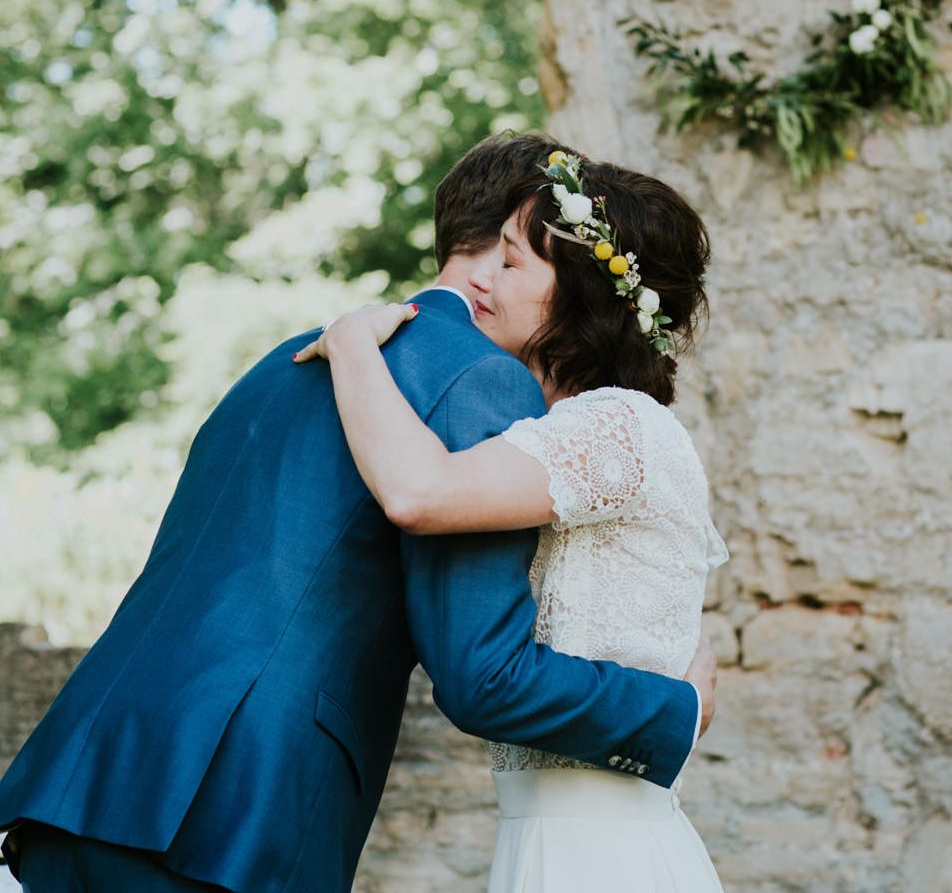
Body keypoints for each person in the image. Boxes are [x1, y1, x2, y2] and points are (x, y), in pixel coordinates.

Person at [0, 133, 717, 893]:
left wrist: (349, 341)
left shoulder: (283, 360)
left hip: (84, 778)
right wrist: (680, 708)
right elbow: (482, 671)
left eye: (520, 258)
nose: (500, 272)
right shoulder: (482, 384)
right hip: (237, 809)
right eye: (505, 252)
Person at [294, 146, 729, 890]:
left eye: (513, 262)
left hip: (605, 852)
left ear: (583, 294)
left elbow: (418, 493)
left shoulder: (620, 425)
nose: (481, 280)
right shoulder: (546, 435)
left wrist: (352, 343)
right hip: (540, 837)